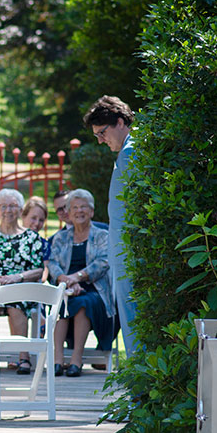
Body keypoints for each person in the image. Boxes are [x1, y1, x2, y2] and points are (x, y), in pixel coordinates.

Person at [0, 188, 47, 375]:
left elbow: (38, 269)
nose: (8, 210)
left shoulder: (31, 237)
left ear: (20, 210)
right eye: (3, 206)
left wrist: (17, 277)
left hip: (21, 285)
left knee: (15, 300)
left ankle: (23, 358)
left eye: (13, 206)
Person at [84, 95, 137, 353]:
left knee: (133, 316)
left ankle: (142, 385)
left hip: (130, 252)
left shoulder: (131, 153)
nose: (100, 140)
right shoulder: (128, 152)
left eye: (102, 132)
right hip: (123, 250)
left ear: (120, 122)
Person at [43, 189, 115, 377]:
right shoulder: (60, 238)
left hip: (96, 289)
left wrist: (77, 277)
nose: (79, 211)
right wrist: (66, 281)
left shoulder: (102, 236)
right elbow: (52, 263)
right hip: (65, 288)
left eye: (83, 206)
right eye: (74, 207)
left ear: (91, 211)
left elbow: (102, 262)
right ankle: (57, 360)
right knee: (63, 304)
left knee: (83, 303)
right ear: (69, 212)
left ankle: (76, 359)